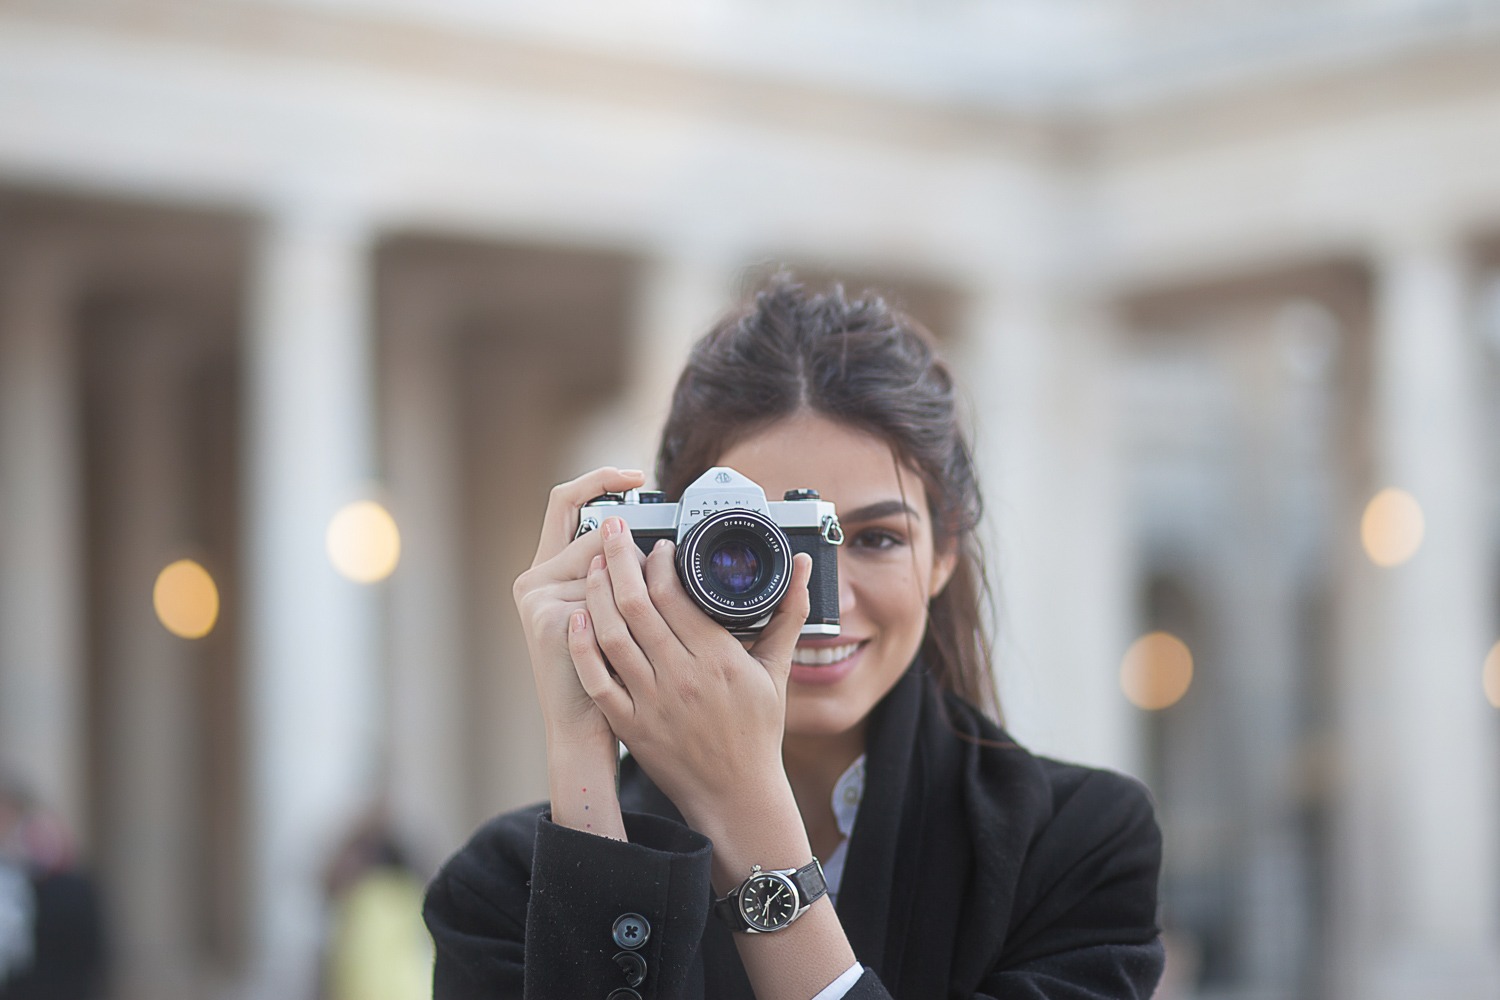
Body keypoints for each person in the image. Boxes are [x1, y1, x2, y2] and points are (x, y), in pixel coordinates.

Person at [424, 277, 1164, 999]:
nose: (807, 595)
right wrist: (584, 753)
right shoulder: (501, 887)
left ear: (943, 556)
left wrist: (748, 822)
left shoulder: (1077, 847)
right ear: (666, 549)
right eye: (754, 545)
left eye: (871, 539)